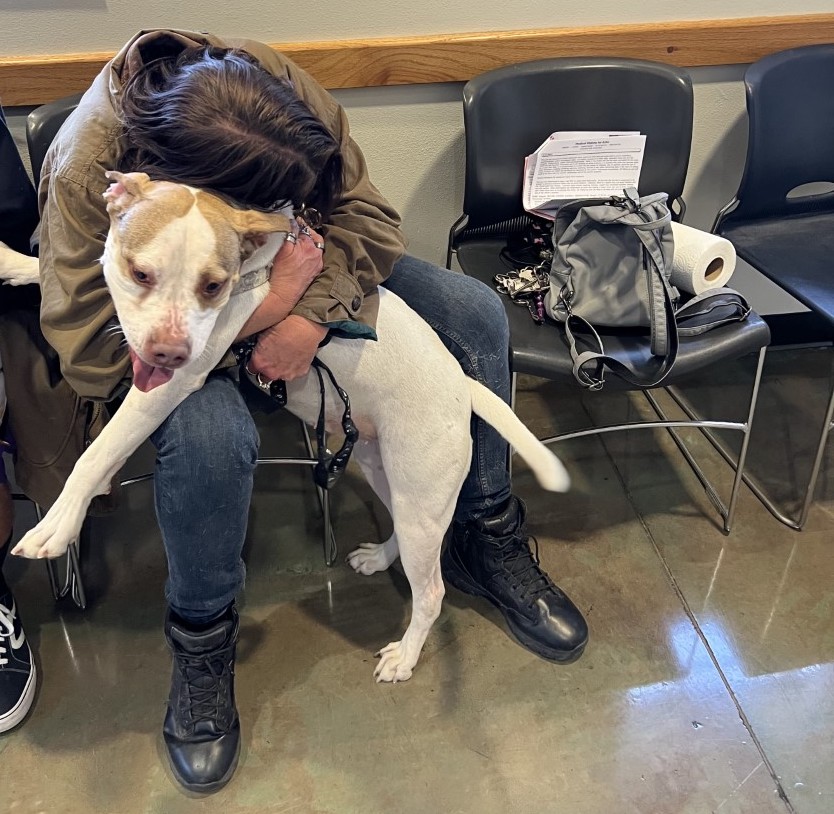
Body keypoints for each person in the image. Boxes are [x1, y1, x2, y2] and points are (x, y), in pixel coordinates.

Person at [33, 30, 588, 792]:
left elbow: (368, 221)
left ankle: (482, 531)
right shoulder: (85, 168)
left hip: (280, 279)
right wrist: (270, 310)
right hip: (205, 323)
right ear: (169, 178)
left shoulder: (272, 102)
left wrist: (306, 312)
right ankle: (203, 639)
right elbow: (91, 357)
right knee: (209, 440)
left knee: (472, 313)